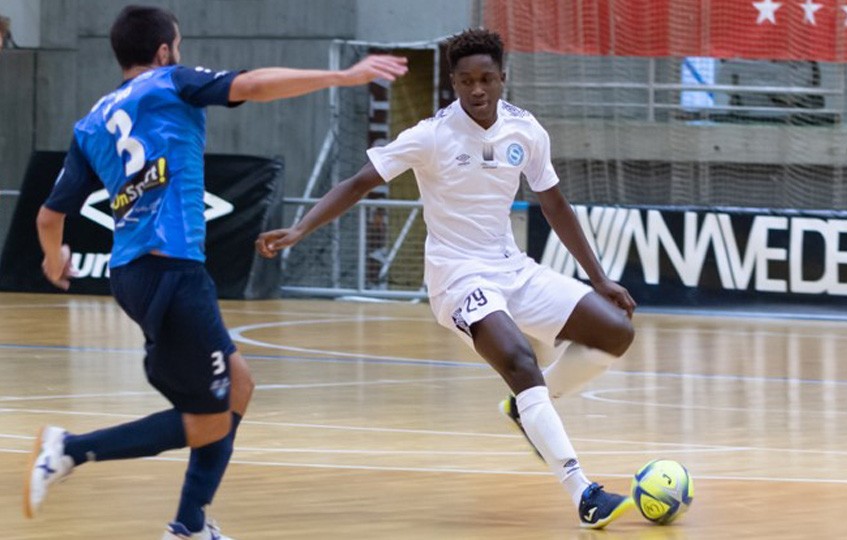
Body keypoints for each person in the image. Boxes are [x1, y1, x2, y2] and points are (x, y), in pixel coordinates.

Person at [25, 5, 406, 539]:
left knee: (240, 386)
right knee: (208, 420)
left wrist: (52, 257)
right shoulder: (170, 82)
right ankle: (68, 450)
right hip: (171, 271)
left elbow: (48, 216)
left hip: (133, 274)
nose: (180, 54)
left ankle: (189, 525)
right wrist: (343, 76)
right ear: (163, 51)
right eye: (178, 46)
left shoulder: (92, 122)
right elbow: (253, 85)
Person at [256, 28, 638, 529]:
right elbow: (357, 183)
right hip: (458, 277)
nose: (476, 90)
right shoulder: (430, 136)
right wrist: (301, 228)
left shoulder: (526, 131)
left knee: (616, 331)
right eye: (464, 81)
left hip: (513, 268)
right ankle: (583, 491)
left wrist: (600, 279)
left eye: (485, 79)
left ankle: (526, 409)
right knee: (520, 361)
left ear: (502, 78)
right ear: (453, 84)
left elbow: (555, 205)